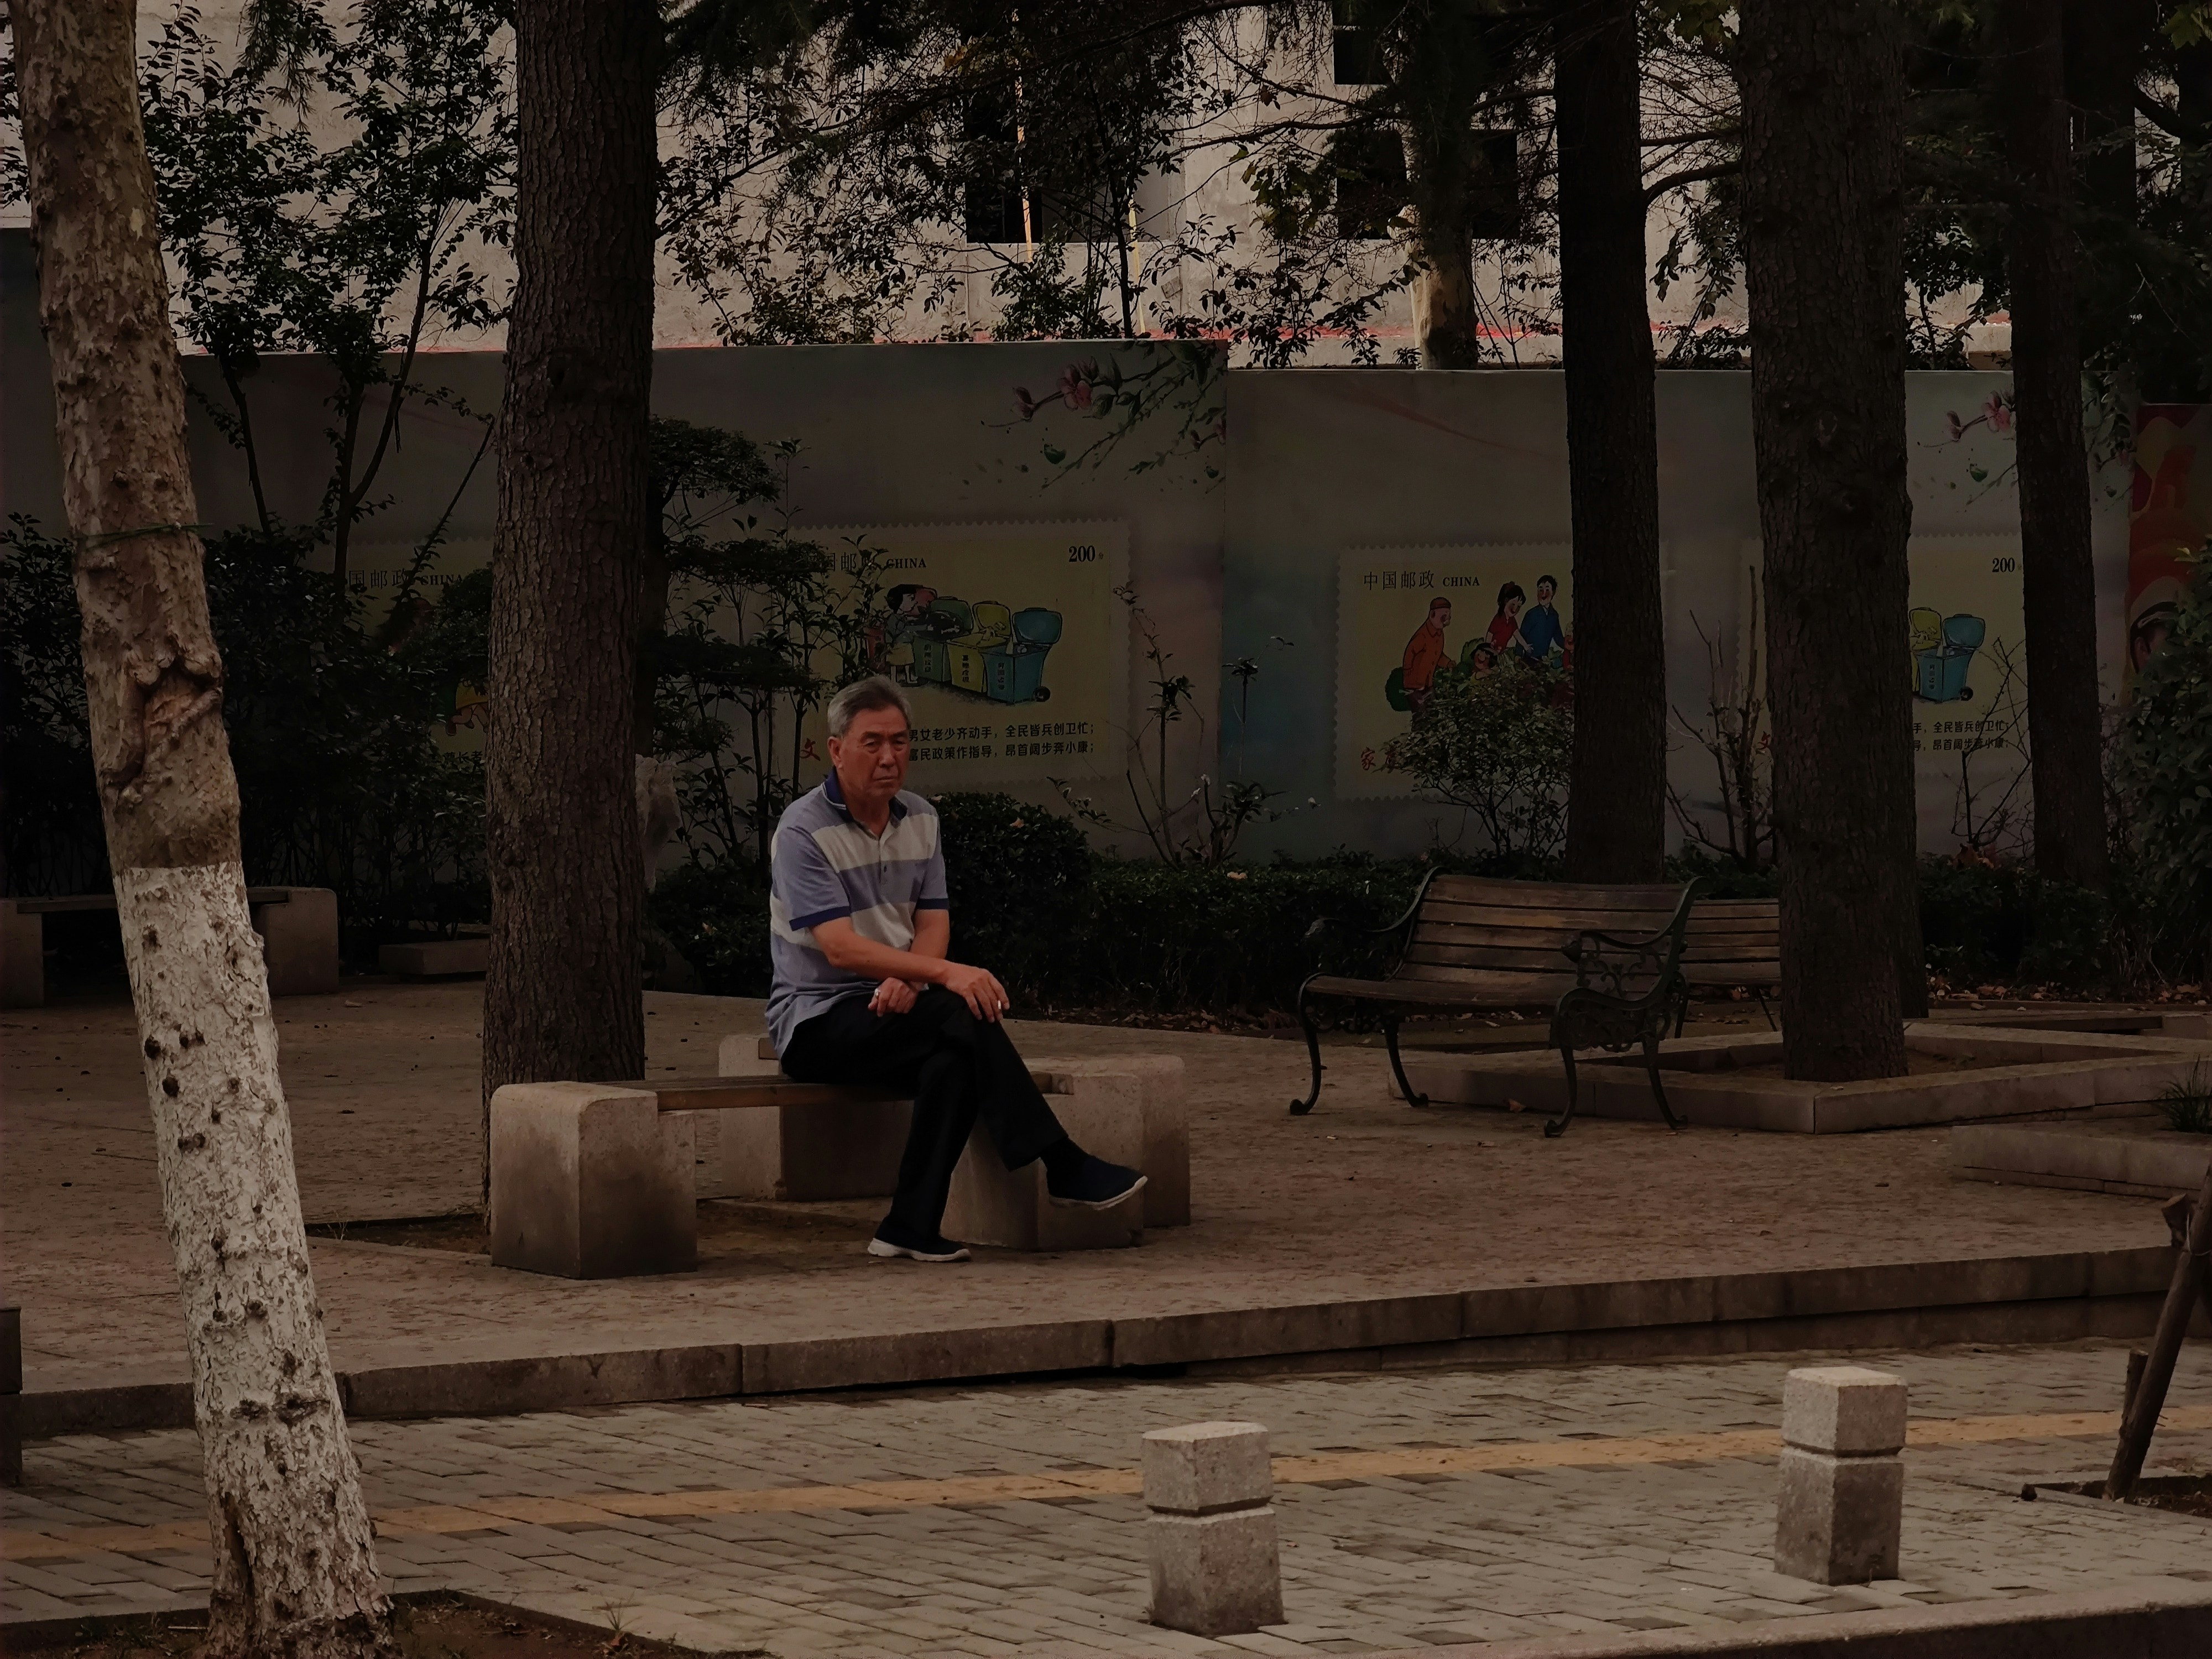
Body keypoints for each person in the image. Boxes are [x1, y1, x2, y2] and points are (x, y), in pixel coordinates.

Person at [766, 675, 1146, 1262]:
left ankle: (909, 1226)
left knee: (954, 1057)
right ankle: (1063, 1163)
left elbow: (933, 923)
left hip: (904, 1009)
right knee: (959, 1009)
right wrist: (940, 976)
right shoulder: (801, 831)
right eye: (872, 743)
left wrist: (915, 976)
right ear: (837, 749)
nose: (889, 757)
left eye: (900, 741)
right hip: (819, 1021)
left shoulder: (919, 817)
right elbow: (839, 948)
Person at [1400, 596, 1452, 713]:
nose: (1447, 617)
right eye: (1445, 614)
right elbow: (1410, 651)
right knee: (1421, 714)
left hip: (1428, 683)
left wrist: (1448, 663)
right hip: (1414, 685)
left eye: (1448, 614)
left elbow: (1438, 656)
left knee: (1432, 712)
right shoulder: (1423, 636)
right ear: (1433, 614)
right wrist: (1407, 667)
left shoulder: (1440, 635)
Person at [1517, 575, 1564, 661]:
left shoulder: (1554, 616)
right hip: (1528, 660)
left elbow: (1559, 639)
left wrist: (1571, 646)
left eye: (1547, 590)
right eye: (1541, 590)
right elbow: (1521, 636)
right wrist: (1518, 655)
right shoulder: (1531, 614)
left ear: (1553, 592)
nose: (1544, 594)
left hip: (1544, 660)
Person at [1485, 581, 1526, 654]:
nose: (1515, 609)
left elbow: (1517, 635)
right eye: (1513, 604)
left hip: (1501, 652)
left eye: (1519, 606)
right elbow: (1490, 635)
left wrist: (1526, 646)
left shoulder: (1512, 621)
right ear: (1506, 601)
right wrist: (1487, 650)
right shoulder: (1498, 618)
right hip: (1491, 652)